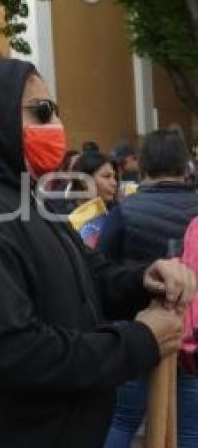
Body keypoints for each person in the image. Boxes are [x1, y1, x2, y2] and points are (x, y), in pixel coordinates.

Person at [0, 58, 194, 447]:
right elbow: (16, 353)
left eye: (56, 111)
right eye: (42, 112)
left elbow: (88, 273)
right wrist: (137, 342)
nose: (56, 126)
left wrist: (143, 279)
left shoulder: (20, 197)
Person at [100, 129, 198, 447]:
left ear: (143, 165)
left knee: (122, 419)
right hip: (191, 333)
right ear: (185, 165)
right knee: (190, 429)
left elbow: (101, 268)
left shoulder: (124, 212)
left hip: (135, 330)